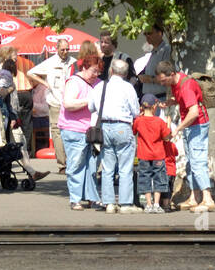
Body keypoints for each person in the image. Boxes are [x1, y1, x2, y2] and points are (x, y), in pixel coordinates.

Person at [154, 60, 215, 212]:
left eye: (164, 80)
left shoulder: (186, 86)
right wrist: (170, 102)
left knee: (198, 162)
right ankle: (194, 197)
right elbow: (184, 100)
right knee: (191, 162)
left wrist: (177, 129)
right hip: (191, 126)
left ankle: (207, 199)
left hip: (197, 126)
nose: (163, 84)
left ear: (172, 74)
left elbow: (194, 112)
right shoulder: (178, 82)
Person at [89, 58, 141, 212]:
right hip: (122, 126)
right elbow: (136, 111)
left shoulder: (100, 86)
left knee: (107, 167)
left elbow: (91, 107)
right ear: (125, 74)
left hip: (104, 126)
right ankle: (125, 203)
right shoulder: (128, 88)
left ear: (111, 71)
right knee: (125, 168)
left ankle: (109, 203)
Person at [60, 43, 103, 210]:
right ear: (85, 67)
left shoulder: (98, 82)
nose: (96, 74)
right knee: (76, 164)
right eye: (94, 71)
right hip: (73, 129)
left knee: (92, 166)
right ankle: (75, 199)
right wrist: (90, 101)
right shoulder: (74, 81)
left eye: (98, 71)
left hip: (91, 131)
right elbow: (69, 103)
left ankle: (92, 197)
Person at [29, 40, 75, 171]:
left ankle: (71, 161)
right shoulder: (50, 62)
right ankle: (62, 164)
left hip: (70, 101)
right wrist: (45, 83)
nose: (65, 52)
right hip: (55, 101)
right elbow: (31, 73)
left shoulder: (72, 62)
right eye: (63, 50)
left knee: (70, 130)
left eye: (67, 49)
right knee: (57, 132)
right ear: (57, 49)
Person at [133, 95, 173, 213]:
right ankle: (156, 203)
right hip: (158, 154)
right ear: (154, 106)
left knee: (144, 178)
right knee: (159, 178)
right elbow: (167, 138)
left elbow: (133, 131)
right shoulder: (159, 121)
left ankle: (148, 204)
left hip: (143, 154)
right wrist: (169, 125)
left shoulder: (138, 121)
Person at [137, 24, 171, 100]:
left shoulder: (166, 50)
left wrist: (150, 79)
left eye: (149, 33)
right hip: (149, 98)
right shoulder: (154, 52)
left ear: (160, 33)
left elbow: (168, 77)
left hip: (160, 98)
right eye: (145, 34)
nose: (147, 36)